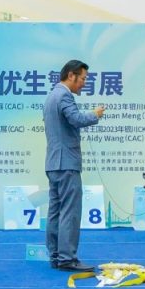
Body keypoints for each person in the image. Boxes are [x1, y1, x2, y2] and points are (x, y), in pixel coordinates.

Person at [43, 60, 105, 272]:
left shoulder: (51, 96)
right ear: (71, 75)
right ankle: (68, 258)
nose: (84, 83)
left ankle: (55, 255)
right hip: (67, 163)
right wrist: (95, 114)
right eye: (83, 78)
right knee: (70, 211)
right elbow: (76, 119)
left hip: (53, 163)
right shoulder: (64, 96)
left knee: (55, 211)